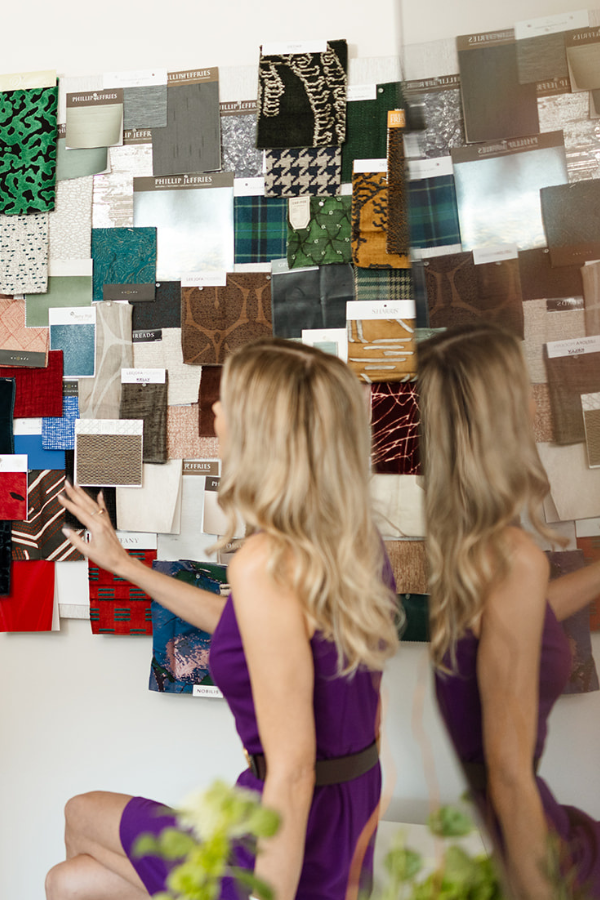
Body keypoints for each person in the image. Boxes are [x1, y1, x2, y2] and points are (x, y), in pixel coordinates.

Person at [45, 337, 399, 900]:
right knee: (71, 883)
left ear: (264, 430)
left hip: (286, 833)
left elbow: (292, 771)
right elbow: (247, 626)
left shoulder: (269, 559)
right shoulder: (350, 537)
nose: (213, 411)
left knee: (81, 812)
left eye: (227, 401)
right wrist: (123, 566)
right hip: (343, 816)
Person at [418, 323, 600, 899]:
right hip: (543, 852)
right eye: (519, 384)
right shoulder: (512, 557)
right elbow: (510, 779)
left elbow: (514, 621)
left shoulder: (465, 544)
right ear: (498, 413)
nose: (531, 396)